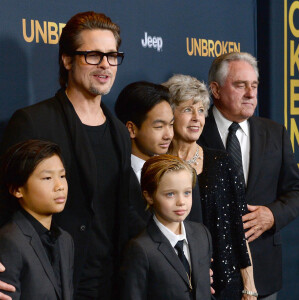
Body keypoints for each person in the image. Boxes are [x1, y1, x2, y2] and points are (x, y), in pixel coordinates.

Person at [0, 11, 131, 300]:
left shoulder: (120, 132)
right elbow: (3, 199)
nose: (105, 65)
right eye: (93, 56)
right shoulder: (33, 122)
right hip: (50, 283)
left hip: (110, 285)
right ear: (67, 60)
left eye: (112, 55)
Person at [198, 52, 299, 300]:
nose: (251, 94)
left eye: (254, 85)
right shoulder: (195, 130)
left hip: (263, 272)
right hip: (209, 273)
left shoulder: (275, 132)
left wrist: (272, 215)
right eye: (240, 85)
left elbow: (296, 190)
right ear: (216, 90)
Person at [163, 74, 257, 299]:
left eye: (201, 110)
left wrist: (249, 286)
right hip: (176, 280)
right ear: (169, 115)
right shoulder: (158, 165)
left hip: (227, 281)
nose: (196, 118)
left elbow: (239, 228)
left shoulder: (222, 162)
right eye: (187, 110)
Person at [119, 154, 212, 300]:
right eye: (170, 194)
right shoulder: (140, 249)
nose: (181, 201)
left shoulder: (202, 234)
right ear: (149, 196)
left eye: (187, 192)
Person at [0, 140, 73, 300]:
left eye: (62, 176)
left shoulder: (65, 240)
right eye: (47, 178)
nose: (60, 185)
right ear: (17, 189)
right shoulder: (10, 240)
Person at [115, 81, 174, 236]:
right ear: (131, 129)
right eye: (159, 127)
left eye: (171, 125)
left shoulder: (176, 172)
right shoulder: (115, 178)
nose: (168, 135)